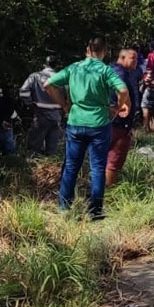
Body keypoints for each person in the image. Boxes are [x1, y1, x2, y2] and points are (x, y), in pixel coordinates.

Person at [45, 37, 130, 218]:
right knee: (98, 167)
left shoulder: (74, 68)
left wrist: (64, 104)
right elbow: (123, 90)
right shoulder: (105, 70)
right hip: (99, 123)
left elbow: (48, 84)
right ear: (104, 52)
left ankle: (64, 208)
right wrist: (117, 107)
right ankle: (95, 211)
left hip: (75, 121)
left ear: (87, 51)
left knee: (71, 166)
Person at [19, 56, 64, 156]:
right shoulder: (62, 79)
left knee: (34, 150)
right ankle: (50, 169)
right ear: (56, 66)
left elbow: (23, 92)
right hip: (56, 117)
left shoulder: (35, 76)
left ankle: (33, 168)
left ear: (44, 64)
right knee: (52, 151)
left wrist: (30, 104)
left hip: (40, 116)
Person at [106, 48, 138, 187]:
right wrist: (122, 106)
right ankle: (109, 191)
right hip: (119, 123)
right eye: (133, 58)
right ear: (122, 57)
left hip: (112, 122)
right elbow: (121, 91)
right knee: (114, 159)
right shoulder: (120, 73)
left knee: (107, 157)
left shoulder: (113, 69)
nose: (136, 61)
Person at [0, 88, 17, 156]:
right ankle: (9, 158)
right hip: (7, 122)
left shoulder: (6, 98)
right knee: (8, 143)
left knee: (7, 141)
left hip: (6, 122)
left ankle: (9, 158)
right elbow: (11, 110)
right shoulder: (7, 98)